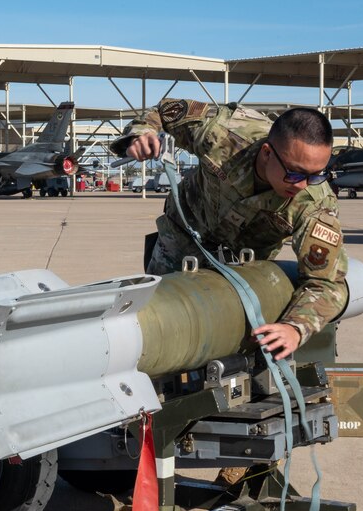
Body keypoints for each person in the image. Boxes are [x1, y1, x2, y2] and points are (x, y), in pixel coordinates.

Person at [113, 99, 348, 360]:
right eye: (294, 173)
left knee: (220, 346)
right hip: (180, 239)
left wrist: (295, 328)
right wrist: (142, 135)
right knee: (156, 327)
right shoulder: (222, 133)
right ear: (268, 153)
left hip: (242, 271)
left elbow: (328, 284)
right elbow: (165, 113)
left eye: (316, 175)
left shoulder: (315, 204)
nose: (303, 184)